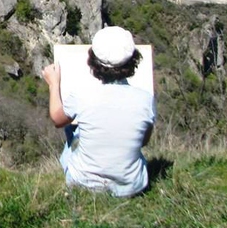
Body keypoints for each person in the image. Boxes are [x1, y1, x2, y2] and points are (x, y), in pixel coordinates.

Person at [42, 26, 155, 197]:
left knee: (74, 127)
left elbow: (57, 119)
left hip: (82, 183)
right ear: (133, 60)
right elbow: (143, 141)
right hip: (131, 187)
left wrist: (53, 84)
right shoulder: (146, 99)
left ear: (93, 62)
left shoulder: (83, 96)